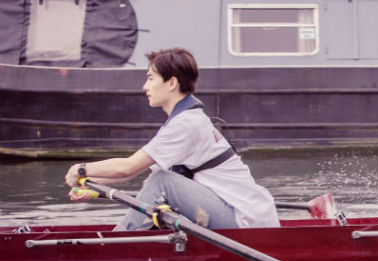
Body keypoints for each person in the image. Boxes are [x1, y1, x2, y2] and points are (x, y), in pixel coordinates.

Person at [65, 48, 279, 230]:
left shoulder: (185, 124)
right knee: (159, 178)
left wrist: (82, 169)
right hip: (246, 214)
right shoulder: (186, 119)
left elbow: (128, 168)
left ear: (171, 83)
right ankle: (124, 238)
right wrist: (93, 189)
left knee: (162, 181)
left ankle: (116, 241)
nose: (144, 87)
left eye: (150, 78)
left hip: (245, 221)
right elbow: (136, 173)